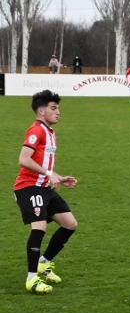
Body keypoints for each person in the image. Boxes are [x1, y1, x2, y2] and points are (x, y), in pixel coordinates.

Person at [13, 90, 78, 294]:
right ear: (41, 112)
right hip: (28, 187)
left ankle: (44, 262)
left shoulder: (50, 131)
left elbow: (42, 163)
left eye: (58, 108)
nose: (58, 112)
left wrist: (57, 177)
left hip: (44, 187)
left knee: (70, 224)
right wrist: (49, 174)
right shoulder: (37, 130)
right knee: (39, 227)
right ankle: (32, 278)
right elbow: (24, 159)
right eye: (53, 108)